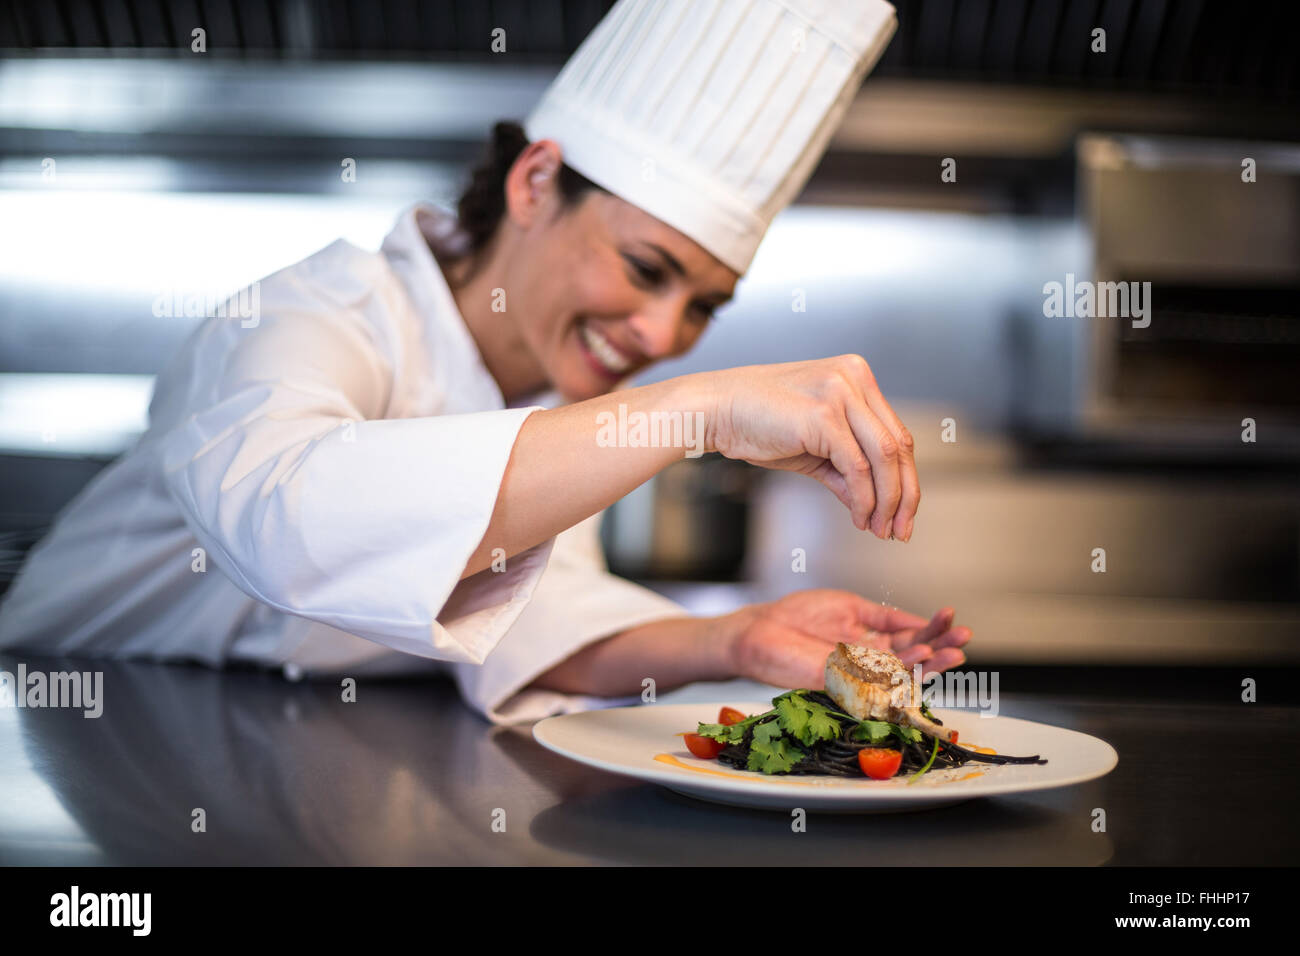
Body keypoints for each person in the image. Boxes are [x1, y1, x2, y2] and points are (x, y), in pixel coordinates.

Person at [0, 0, 970, 723]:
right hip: (66, 721)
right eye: (645, 269)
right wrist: (695, 408)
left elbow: (538, 622)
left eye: (704, 306)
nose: (662, 334)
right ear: (535, 180)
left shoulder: (556, 407)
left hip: (267, 743)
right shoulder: (317, 314)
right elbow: (290, 521)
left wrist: (733, 638)